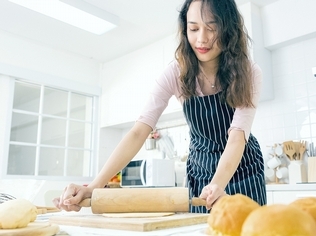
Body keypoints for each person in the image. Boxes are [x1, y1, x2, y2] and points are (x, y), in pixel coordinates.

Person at [54, 0, 266, 213]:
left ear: (228, 29)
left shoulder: (248, 72)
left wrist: (217, 185)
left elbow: (237, 136)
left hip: (243, 170)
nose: (201, 38)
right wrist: (94, 186)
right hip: (201, 173)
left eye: (211, 28)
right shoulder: (177, 73)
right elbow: (139, 131)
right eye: (193, 28)